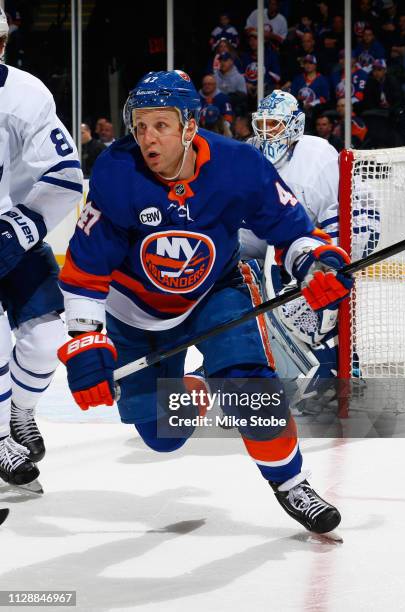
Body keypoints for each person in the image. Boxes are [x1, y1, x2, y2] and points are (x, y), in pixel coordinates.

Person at [57, 70, 353, 535]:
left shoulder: (238, 166)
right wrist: (84, 339)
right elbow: (85, 268)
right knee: (163, 438)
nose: (147, 138)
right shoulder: (118, 172)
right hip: (132, 312)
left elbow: (292, 231)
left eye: (161, 125)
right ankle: (198, 388)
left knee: (249, 386)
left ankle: (292, 481)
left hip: (215, 290)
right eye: (139, 126)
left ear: (190, 125)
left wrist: (316, 267)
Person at [0, 9, 83, 489]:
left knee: (45, 343)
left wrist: (19, 228)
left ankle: (21, 412)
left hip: (18, 233)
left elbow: (66, 175)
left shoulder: (27, 94)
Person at [240, 90, 341, 408]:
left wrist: (328, 260)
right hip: (268, 253)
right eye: (263, 124)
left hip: (314, 251)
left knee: (320, 287)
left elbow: (342, 218)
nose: (266, 132)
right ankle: (246, 365)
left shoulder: (318, 155)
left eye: (275, 124)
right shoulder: (248, 154)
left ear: (295, 125)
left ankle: (329, 365)